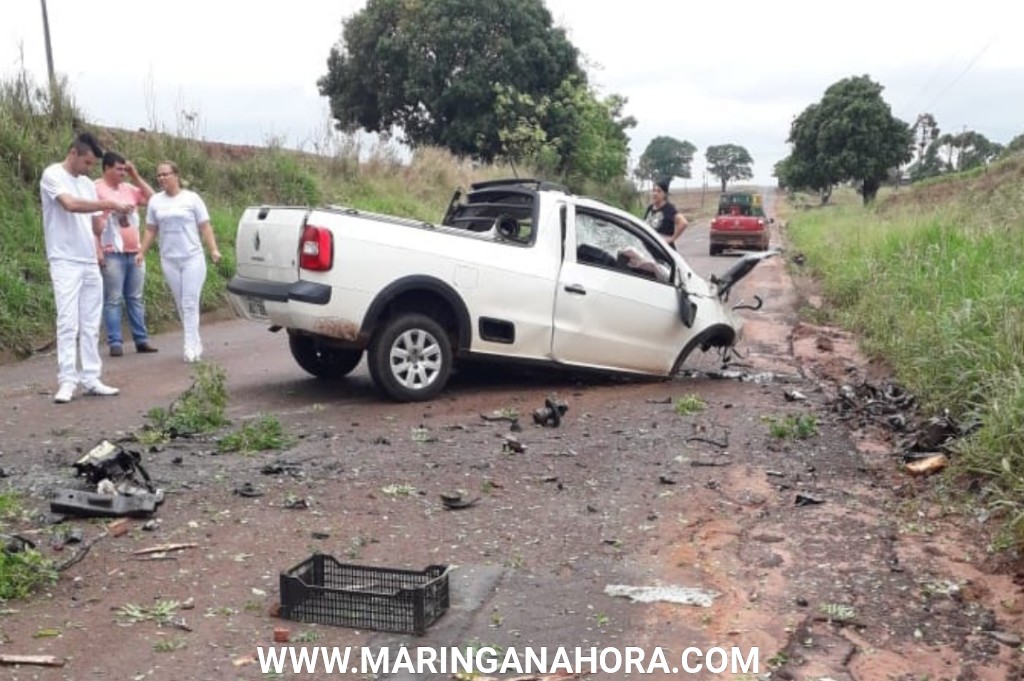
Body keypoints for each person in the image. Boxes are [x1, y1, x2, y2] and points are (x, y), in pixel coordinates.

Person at [40, 132, 133, 403]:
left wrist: (115, 216)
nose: (89, 169)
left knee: (91, 322)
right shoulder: (53, 175)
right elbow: (69, 205)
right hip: (64, 259)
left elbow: (94, 225)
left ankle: (91, 377)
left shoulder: (86, 185)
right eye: (87, 163)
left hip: (89, 259)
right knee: (68, 321)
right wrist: (107, 203)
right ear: (74, 153)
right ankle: (67, 380)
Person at [137, 161, 222, 363]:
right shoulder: (155, 201)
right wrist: (141, 251)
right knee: (181, 303)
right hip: (169, 259)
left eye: (165, 174)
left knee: (189, 302)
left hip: (192, 257)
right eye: (158, 175)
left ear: (176, 175)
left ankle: (189, 346)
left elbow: (205, 226)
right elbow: (151, 229)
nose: (161, 178)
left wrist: (213, 249)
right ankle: (195, 340)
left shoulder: (191, 198)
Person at [95, 151, 158, 356]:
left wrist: (136, 176)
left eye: (124, 169)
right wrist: (98, 250)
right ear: (106, 168)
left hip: (134, 250)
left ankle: (141, 340)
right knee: (113, 298)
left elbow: (153, 199)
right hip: (112, 250)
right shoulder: (96, 188)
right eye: (119, 169)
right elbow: (89, 222)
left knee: (135, 297)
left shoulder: (128, 188)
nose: (123, 173)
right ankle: (115, 342)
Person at [643, 178, 689, 249]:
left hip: (663, 249)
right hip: (650, 247)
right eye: (654, 191)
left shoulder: (669, 209)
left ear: (665, 194)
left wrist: (672, 238)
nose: (655, 193)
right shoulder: (650, 208)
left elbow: (683, 223)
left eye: (659, 191)